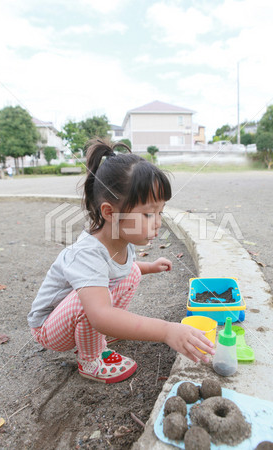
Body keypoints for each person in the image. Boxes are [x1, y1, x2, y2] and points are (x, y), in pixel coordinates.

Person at [28, 139, 215, 383]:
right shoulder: (86, 253)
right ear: (109, 212)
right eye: (148, 213)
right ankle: (91, 360)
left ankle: (102, 334)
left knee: (132, 274)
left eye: (160, 212)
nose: (158, 222)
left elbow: (122, 270)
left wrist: (150, 267)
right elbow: (99, 313)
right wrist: (167, 330)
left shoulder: (121, 241)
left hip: (80, 315)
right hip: (49, 329)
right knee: (92, 306)